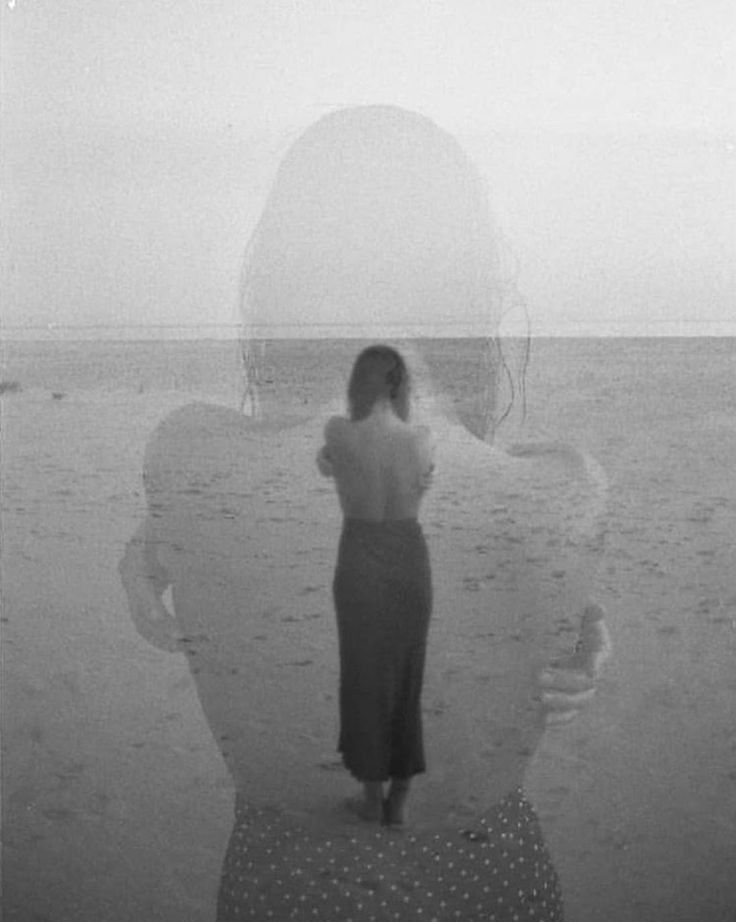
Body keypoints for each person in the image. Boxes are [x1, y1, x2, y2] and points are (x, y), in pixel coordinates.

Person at [119, 104, 611, 921]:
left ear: (286, 269)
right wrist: (577, 619)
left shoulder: (188, 457)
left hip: (283, 886)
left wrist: (149, 544)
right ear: (464, 277)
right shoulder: (560, 492)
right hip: (482, 885)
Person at [317, 345, 435, 825]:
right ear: (402, 386)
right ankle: (400, 800)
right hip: (408, 556)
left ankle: (371, 795)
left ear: (358, 384)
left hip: (361, 558)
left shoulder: (338, 432)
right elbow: (422, 483)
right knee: (406, 678)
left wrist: (330, 462)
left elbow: (329, 465)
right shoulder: (421, 437)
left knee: (363, 678)